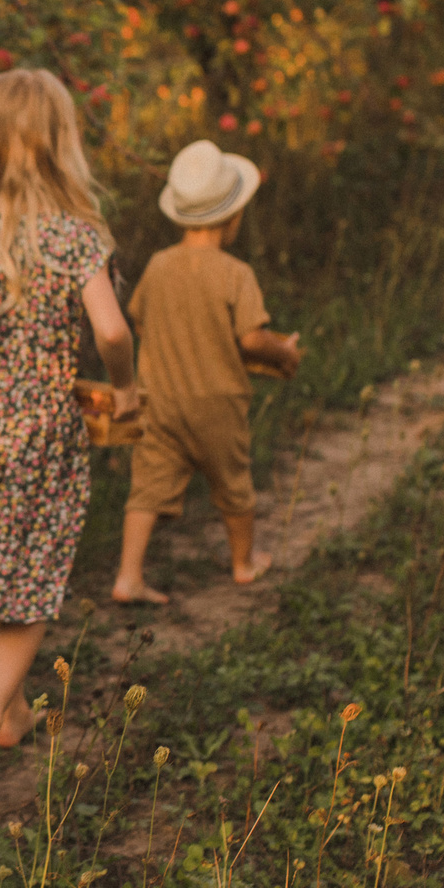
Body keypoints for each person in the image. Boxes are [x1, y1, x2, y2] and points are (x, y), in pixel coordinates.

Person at [0, 68, 137, 800]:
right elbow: (109, 327)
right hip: (41, 427)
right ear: (61, 144)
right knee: (33, 578)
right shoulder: (76, 238)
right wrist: (124, 382)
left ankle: (7, 714)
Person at [110, 138, 303, 604]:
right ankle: (243, 563)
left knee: (147, 489)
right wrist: (284, 351)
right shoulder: (235, 273)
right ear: (232, 218)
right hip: (218, 404)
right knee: (234, 484)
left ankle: (128, 577)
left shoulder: (157, 266)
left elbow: (137, 320)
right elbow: (251, 339)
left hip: (160, 403)